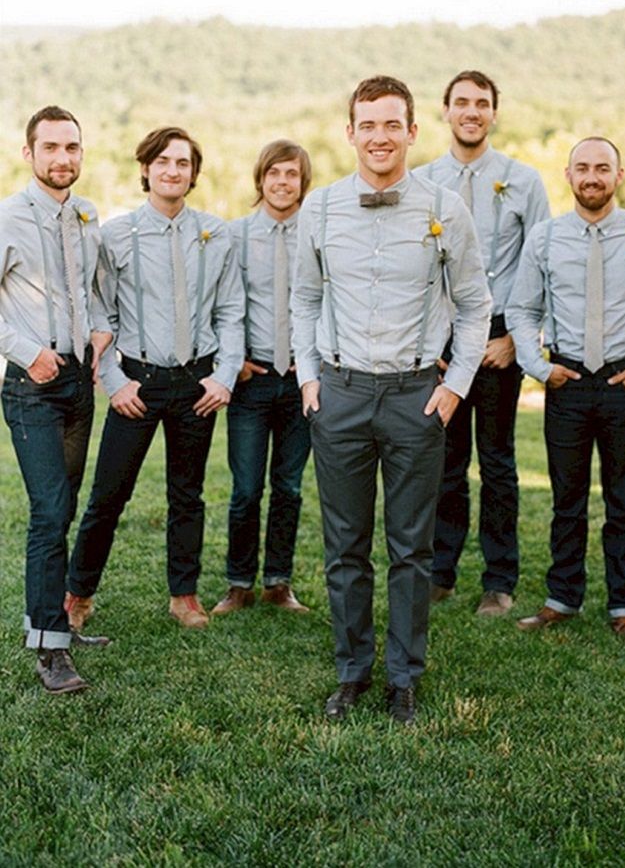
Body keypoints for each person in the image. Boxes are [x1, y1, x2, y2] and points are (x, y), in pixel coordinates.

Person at [292, 76, 491, 724]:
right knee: (345, 545)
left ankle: (403, 676)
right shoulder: (319, 210)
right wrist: (309, 378)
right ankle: (351, 671)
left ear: (412, 132)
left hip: (416, 398)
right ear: (350, 132)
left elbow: (474, 303)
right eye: (367, 125)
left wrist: (455, 386)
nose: (379, 137)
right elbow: (305, 298)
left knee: (411, 547)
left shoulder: (445, 208)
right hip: (341, 394)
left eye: (391, 125)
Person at [66, 126, 244, 630]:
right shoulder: (115, 235)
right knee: (108, 495)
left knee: (187, 495)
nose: (172, 170)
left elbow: (231, 312)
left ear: (193, 173)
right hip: (136, 384)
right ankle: (78, 594)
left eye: (183, 163)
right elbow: (99, 313)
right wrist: (113, 379)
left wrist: (225, 375)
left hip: (197, 386)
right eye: (162, 161)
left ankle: (183, 596)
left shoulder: (216, 234)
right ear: (145, 169)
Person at [507, 136, 625, 643]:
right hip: (567, 381)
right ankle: (562, 599)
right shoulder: (544, 237)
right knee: (567, 498)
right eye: (582, 168)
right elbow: (522, 310)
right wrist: (539, 367)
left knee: (622, 501)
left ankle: (624, 608)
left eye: (602, 168)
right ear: (568, 175)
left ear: (618, 175)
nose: (592, 177)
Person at [421, 70, 550, 615]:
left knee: (497, 463)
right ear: (445, 111)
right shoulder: (422, 181)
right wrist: (431, 345)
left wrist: (520, 343)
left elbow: (543, 265)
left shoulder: (524, 181)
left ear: (495, 113)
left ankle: (499, 581)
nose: (471, 112)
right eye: (461, 103)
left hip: (500, 341)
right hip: (442, 341)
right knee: (445, 463)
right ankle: (440, 572)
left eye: (481, 104)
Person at [0, 106, 111, 693]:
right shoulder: (8, 219)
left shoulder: (86, 215)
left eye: (72, 147)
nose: (63, 158)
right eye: (51, 148)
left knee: (65, 504)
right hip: (31, 386)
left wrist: (97, 329)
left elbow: (89, 290)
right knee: (48, 512)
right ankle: (49, 646)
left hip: (77, 382)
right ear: (29, 154)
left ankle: (56, 626)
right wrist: (26, 350)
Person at [211, 141, 313, 617]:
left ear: (302, 182)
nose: (282, 182)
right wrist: (233, 363)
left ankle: (278, 581)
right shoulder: (234, 236)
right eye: (274, 173)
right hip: (251, 382)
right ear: (260, 179)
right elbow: (217, 305)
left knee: (288, 486)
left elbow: (329, 302)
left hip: (300, 382)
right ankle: (238, 583)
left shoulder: (316, 234)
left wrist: (315, 360)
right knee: (246, 487)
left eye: (292, 174)